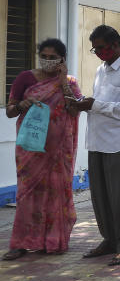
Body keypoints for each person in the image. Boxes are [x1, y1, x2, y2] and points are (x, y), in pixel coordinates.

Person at [71, 25, 120, 266]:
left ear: (116, 44)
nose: (98, 53)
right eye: (95, 49)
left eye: (101, 48)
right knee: (100, 197)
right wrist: (82, 104)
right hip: (96, 140)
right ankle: (110, 239)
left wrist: (95, 106)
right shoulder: (100, 70)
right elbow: (99, 103)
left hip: (119, 142)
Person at [2, 39, 83, 260]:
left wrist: (63, 80)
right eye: (44, 56)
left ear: (62, 59)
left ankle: (53, 241)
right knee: (27, 194)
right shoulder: (25, 78)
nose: (48, 61)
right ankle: (20, 244)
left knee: (57, 192)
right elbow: (10, 111)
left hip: (58, 151)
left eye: (53, 57)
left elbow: (74, 109)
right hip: (31, 148)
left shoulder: (70, 82)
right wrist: (20, 106)